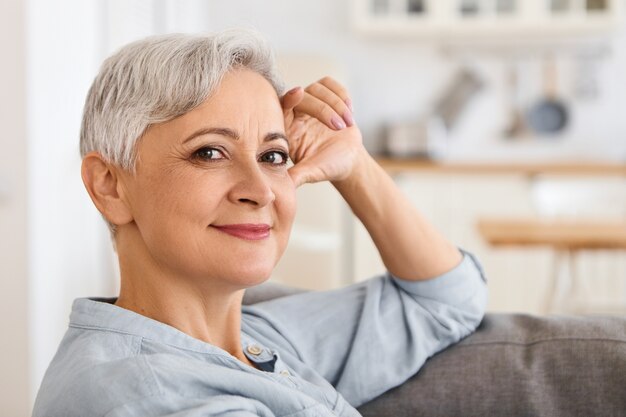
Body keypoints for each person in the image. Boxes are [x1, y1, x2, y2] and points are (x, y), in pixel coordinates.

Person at [32, 30, 487, 417]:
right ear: (110, 186)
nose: (262, 189)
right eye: (210, 152)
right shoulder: (153, 395)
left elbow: (446, 300)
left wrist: (356, 167)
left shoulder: (254, 340)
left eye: (273, 156)